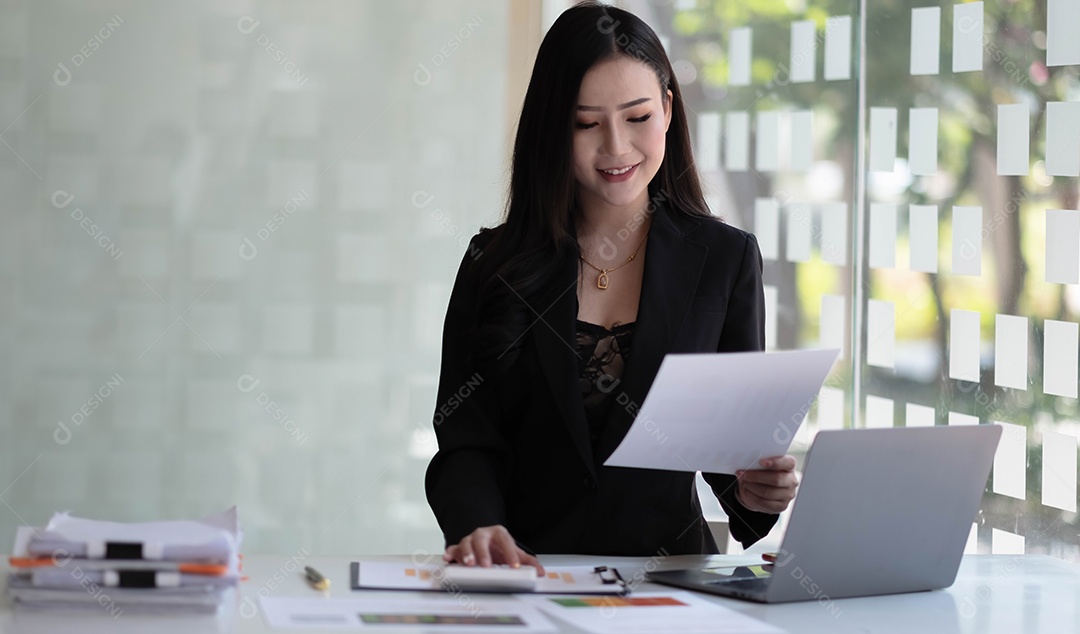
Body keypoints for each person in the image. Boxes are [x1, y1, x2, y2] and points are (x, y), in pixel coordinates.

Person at [425, 1, 798, 572]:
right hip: (526, 578)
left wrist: (757, 492)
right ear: (553, 127)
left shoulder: (724, 260)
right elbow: (465, 439)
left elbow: (732, 463)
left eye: (638, 117)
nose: (617, 148)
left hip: (670, 588)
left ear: (669, 110)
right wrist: (480, 526)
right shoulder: (493, 261)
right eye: (586, 123)